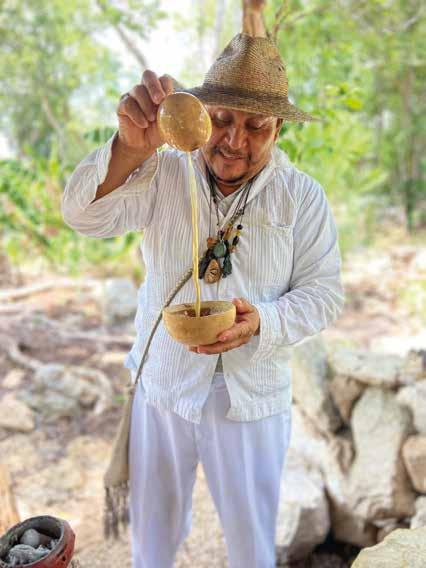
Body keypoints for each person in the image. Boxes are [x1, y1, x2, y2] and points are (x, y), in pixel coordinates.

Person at [62, 32, 344, 568]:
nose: (234, 140)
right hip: (164, 383)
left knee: (252, 544)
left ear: (279, 129)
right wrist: (130, 148)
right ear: (202, 115)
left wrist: (264, 320)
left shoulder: (301, 196)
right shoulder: (163, 171)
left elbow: (324, 293)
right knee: (153, 536)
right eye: (222, 119)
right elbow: (82, 216)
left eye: (256, 126)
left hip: (251, 394)